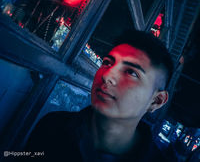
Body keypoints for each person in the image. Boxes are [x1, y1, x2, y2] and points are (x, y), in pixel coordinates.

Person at [22, 30, 177, 161]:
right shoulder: (52, 126)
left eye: (131, 72)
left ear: (156, 101)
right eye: (107, 63)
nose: (107, 75)